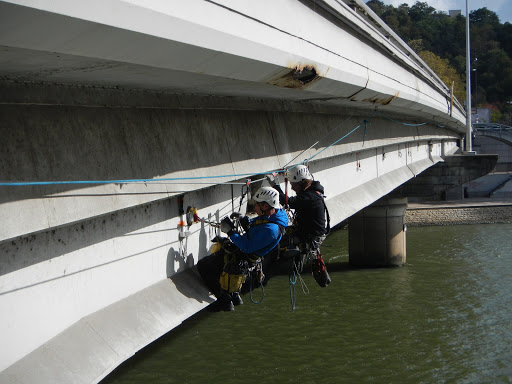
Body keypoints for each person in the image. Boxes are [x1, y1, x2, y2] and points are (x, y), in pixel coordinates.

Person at [197, 187, 288, 312]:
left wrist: (230, 232)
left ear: (266, 206)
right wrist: (245, 222)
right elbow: (258, 229)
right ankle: (234, 295)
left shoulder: (271, 230)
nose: (255, 207)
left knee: (203, 266)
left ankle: (224, 300)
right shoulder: (277, 216)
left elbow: (247, 247)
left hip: (243, 256)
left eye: (257, 204)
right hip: (246, 252)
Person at [267, 164, 331, 286]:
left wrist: (275, 185)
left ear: (302, 183)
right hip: (310, 233)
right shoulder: (312, 191)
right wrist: (284, 174)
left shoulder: (310, 197)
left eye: (293, 184)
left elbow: (288, 202)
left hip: (309, 236)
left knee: (277, 240)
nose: (292, 187)